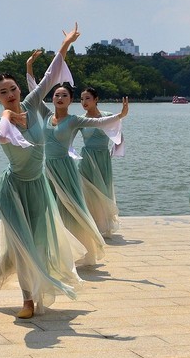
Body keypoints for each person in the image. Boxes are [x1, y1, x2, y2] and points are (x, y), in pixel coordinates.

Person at [0, 25, 84, 319]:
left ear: (20, 89)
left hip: (37, 187)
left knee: (26, 248)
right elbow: (1, 136)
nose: (10, 94)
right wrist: (6, 115)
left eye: (13, 89)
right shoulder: (1, 123)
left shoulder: (32, 104)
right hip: (12, 190)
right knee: (23, 246)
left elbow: (50, 76)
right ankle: (28, 300)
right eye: (3, 92)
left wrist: (65, 45)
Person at [40, 82, 127, 264]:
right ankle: (53, 246)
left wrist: (120, 116)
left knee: (82, 200)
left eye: (65, 95)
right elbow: (35, 93)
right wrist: (29, 70)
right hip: (62, 164)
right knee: (52, 205)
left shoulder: (77, 119)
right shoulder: (49, 116)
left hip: (96, 159)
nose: (60, 98)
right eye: (57, 95)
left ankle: (89, 236)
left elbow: (106, 127)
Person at [78, 86, 124, 239]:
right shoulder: (81, 120)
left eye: (87, 98)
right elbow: (66, 137)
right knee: (87, 191)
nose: (84, 102)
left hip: (103, 159)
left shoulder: (107, 116)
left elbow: (119, 136)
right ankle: (90, 225)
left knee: (102, 191)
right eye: (82, 99)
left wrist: (112, 152)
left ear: (96, 99)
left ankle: (103, 225)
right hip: (87, 159)